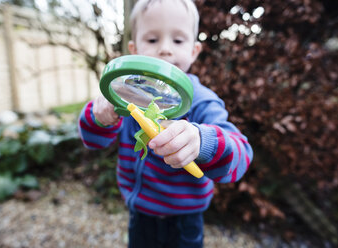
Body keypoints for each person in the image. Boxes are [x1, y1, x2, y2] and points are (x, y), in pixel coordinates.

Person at [78, 0, 253, 247]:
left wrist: (202, 141)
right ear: (134, 48)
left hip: (185, 220)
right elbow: (93, 141)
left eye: (178, 40)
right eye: (152, 40)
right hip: (140, 214)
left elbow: (241, 157)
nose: (165, 50)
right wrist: (100, 117)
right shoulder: (127, 95)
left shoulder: (201, 102)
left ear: (194, 51)